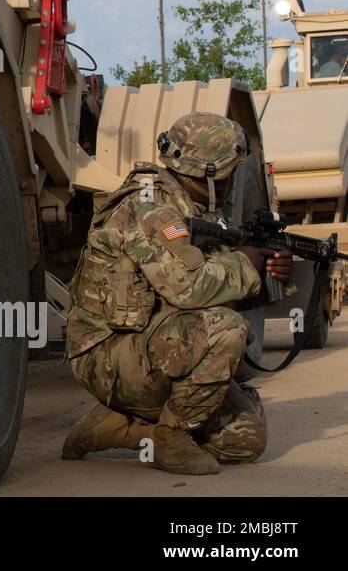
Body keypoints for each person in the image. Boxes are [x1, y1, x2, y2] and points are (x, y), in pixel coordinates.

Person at [62, 111, 294, 475]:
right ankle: (168, 436)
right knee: (226, 329)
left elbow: (209, 286)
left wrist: (269, 275)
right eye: (233, 172)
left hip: (151, 347)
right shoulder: (151, 208)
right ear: (211, 174)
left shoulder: (189, 208)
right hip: (106, 355)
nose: (235, 181)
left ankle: (120, 428)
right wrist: (247, 264)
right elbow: (191, 288)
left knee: (245, 440)